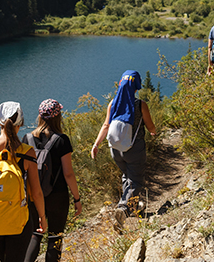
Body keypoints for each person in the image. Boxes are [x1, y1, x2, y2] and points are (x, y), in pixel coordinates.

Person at [0, 101, 48, 262]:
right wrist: (42, 216)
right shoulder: (27, 152)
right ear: (20, 123)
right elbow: (36, 192)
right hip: (19, 223)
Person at [22, 99, 83, 262]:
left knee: (35, 235)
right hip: (58, 195)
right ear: (58, 116)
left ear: (40, 116)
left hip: (34, 195)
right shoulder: (62, 140)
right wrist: (77, 199)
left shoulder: (27, 139)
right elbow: (68, 174)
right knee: (55, 237)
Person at [90, 70, 156, 214]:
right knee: (136, 180)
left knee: (127, 177)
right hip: (134, 150)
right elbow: (150, 126)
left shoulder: (113, 103)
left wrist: (96, 145)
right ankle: (123, 210)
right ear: (137, 87)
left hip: (116, 150)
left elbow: (106, 126)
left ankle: (133, 208)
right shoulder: (140, 105)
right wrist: (153, 131)